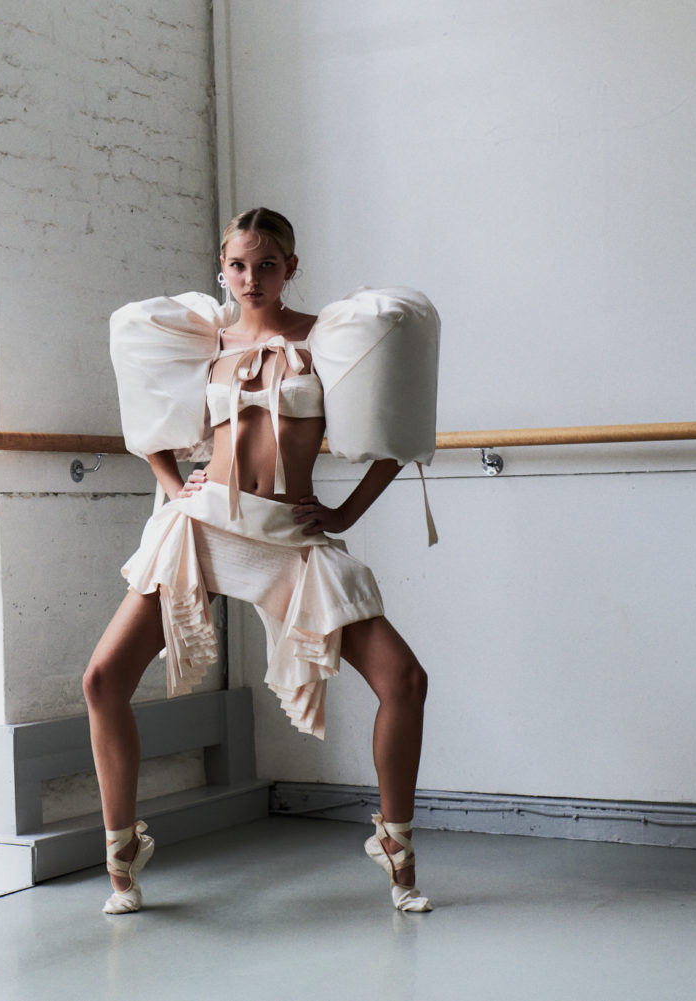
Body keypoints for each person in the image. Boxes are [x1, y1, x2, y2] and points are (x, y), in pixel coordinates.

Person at [84, 207, 440, 915]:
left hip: (288, 537)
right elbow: (151, 422)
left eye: (267, 265)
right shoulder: (205, 342)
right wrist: (172, 485)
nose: (251, 278)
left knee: (405, 679)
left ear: (291, 268)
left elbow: (396, 432)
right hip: (206, 526)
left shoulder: (327, 339)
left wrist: (344, 514)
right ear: (223, 269)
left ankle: (396, 850)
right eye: (238, 266)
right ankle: (123, 860)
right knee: (102, 679)